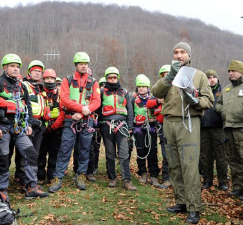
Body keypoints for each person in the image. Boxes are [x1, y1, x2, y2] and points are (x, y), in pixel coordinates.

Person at [151, 42, 214, 224]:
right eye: (176, 52)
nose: (179, 56)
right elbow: (155, 92)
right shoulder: (169, 75)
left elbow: (208, 100)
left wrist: (195, 101)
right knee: (174, 165)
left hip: (188, 123)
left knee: (189, 166)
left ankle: (194, 207)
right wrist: (169, 77)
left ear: (189, 55)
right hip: (169, 122)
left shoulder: (199, 75)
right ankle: (181, 202)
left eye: (182, 52)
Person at [48, 52, 100, 193]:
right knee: (64, 149)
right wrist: (81, 108)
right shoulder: (67, 80)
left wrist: (84, 111)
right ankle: (58, 177)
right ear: (76, 65)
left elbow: (97, 101)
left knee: (84, 149)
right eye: (81, 64)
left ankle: (81, 174)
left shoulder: (93, 82)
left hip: (86, 120)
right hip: (70, 120)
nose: (84, 66)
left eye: (86, 64)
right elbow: (64, 99)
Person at [0, 54, 49, 199]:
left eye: (17, 67)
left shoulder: (20, 85)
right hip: (3, 127)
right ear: (5, 67)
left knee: (31, 154)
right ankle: (2, 189)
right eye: (12, 66)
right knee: (3, 158)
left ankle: (31, 187)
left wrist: (28, 124)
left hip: (19, 128)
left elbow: (26, 105)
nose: (16, 69)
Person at [99, 67, 136, 191]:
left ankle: (127, 180)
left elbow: (130, 110)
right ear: (106, 78)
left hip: (122, 125)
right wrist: (98, 125)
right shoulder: (102, 91)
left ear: (118, 78)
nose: (112, 79)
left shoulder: (124, 92)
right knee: (110, 153)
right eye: (110, 77)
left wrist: (130, 127)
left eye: (114, 77)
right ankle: (112, 178)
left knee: (124, 153)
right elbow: (98, 109)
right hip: (106, 124)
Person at [215, 60, 243, 201]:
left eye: (234, 71)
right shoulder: (226, 89)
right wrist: (223, 109)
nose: (231, 73)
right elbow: (218, 104)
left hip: (241, 128)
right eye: (229, 71)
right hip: (228, 129)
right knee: (233, 159)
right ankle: (238, 188)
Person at [200, 69, 228, 191]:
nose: (211, 80)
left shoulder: (223, 92)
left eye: (213, 77)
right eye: (209, 77)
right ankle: (207, 180)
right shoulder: (202, 92)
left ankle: (223, 181)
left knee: (221, 156)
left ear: (217, 79)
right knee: (205, 156)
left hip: (219, 129)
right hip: (204, 129)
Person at [131, 74, 160, 188]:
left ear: (148, 87)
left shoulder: (153, 98)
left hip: (151, 128)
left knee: (152, 151)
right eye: (139, 86)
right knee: (140, 151)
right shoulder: (133, 99)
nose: (141, 88)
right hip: (138, 129)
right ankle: (143, 172)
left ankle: (154, 174)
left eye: (144, 86)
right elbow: (131, 113)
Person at [37, 69, 65, 184]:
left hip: (56, 128)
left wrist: (54, 126)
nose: (49, 80)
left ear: (55, 79)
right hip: (42, 128)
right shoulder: (39, 93)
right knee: (41, 153)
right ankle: (40, 176)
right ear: (43, 79)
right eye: (47, 78)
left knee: (54, 153)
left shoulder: (60, 94)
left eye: (51, 78)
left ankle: (51, 176)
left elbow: (63, 112)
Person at [22, 60, 46, 158]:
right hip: (28, 124)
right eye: (34, 71)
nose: (37, 73)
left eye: (39, 71)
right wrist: (29, 122)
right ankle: (22, 173)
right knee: (26, 153)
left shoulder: (41, 88)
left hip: (39, 124)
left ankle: (32, 173)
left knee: (36, 153)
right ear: (29, 72)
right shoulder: (24, 85)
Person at [157, 64, 172, 189]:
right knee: (166, 153)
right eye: (163, 75)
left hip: (177, 123)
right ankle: (167, 178)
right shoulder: (159, 91)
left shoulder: (178, 88)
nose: (166, 76)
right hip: (163, 125)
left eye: (168, 74)